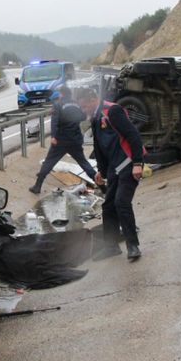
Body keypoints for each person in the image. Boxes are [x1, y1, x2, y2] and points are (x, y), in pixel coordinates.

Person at [76, 90, 145, 261]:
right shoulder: (95, 118)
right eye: (81, 107)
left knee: (121, 202)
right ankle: (111, 247)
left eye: (85, 105)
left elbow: (133, 135)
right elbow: (99, 147)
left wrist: (137, 163)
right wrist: (101, 171)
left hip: (129, 164)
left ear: (94, 99)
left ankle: (133, 246)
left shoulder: (112, 111)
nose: (84, 110)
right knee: (108, 206)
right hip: (114, 168)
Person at [29, 87, 97, 194]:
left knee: (48, 163)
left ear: (62, 94)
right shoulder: (77, 104)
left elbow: (55, 122)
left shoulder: (58, 105)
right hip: (75, 140)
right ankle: (100, 184)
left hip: (60, 141)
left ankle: (37, 186)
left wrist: (53, 137)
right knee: (83, 163)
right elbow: (83, 117)